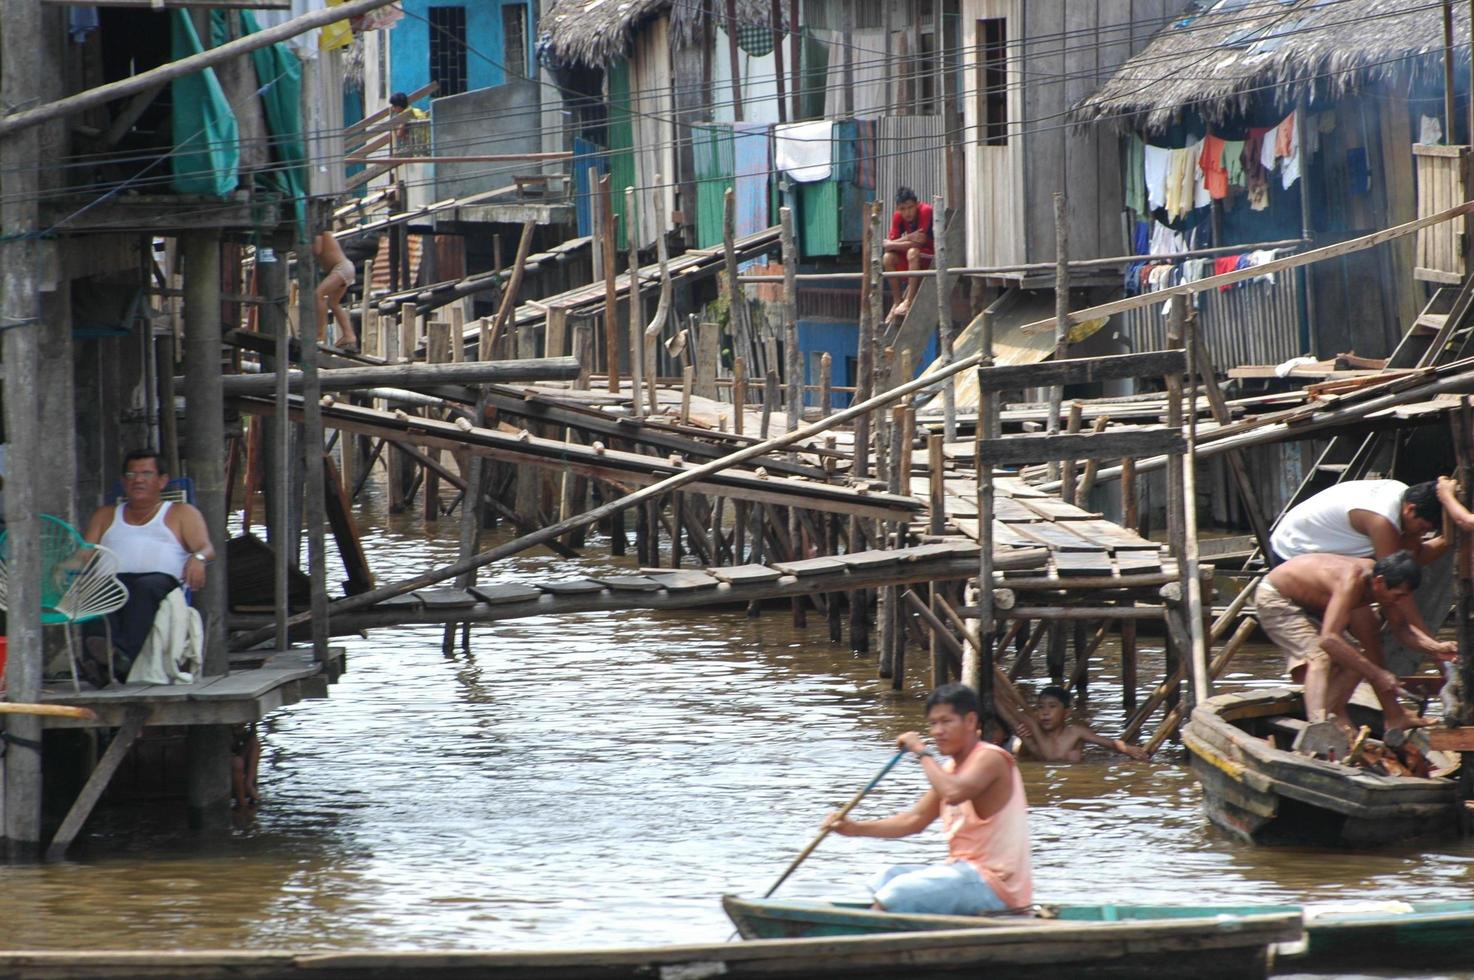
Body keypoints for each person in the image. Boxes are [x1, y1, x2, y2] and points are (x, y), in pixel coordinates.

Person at [823, 683, 1032, 915]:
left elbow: (953, 794)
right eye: (933, 723)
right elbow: (915, 819)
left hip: (995, 885)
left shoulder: (990, 758)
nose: (937, 731)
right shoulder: (951, 769)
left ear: (971, 721)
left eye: (946, 722)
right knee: (887, 877)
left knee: (899, 891)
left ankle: (871, 939)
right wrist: (855, 828)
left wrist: (922, 752)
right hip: (964, 872)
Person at [1271, 477, 1474, 667]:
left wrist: (1448, 540)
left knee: (1369, 632)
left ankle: (1381, 689)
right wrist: (1434, 650)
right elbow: (1398, 584)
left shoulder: (1404, 500)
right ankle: (1380, 687)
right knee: (1364, 629)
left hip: (1327, 552)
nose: (1421, 534)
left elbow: (1416, 556)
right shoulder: (1382, 521)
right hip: (1292, 553)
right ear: (1410, 510)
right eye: (1421, 528)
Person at [1255, 550, 1447, 733]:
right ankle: (1317, 728)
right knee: (1320, 657)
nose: (1399, 601)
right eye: (1398, 595)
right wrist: (1378, 674)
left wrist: (1436, 648)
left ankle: (1331, 715)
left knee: (1355, 659)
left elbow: (1402, 628)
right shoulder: (1352, 581)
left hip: (1308, 607)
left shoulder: (1381, 582)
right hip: (1276, 597)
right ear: (1379, 583)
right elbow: (1328, 639)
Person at [80, 450, 214, 686]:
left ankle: (118, 658)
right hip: (113, 582)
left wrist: (199, 558)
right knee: (97, 589)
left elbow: (206, 547)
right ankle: (101, 657)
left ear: (162, 480)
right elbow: (84, 555)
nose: (138, 479)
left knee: (144, 587)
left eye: (146, 474)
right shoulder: (106, 515)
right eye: (131, 474)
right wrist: (61, 571)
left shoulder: (181, 513)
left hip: (159, 584)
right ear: (123, 482)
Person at [1013, 686, 1149, 762]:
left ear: (1066, 713)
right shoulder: (1036, 732)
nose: (1045, 712)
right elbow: (1023, 757)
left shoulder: (1075, 732)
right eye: (1040, 707)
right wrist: (1026, 740)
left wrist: (1128, 749)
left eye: (1052, 706)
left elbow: (1108, 743)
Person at [882, 186, 934, 323]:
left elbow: (919, 242)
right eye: (903, 209)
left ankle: (909, 301)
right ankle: (897, 301)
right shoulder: (898, 216)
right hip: (914, 259)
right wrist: (909, 236)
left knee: (912, 252)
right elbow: (889, 248)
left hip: (931, 257)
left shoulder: (925, 211)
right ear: (898, 208)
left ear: (916, 204)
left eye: (910, 207)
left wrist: (892, 244)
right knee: (887, 258)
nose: (907, 212)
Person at [312, 231, 359, 353]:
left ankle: (319, 334)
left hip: (341, 268)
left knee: (319, 294)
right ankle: (349, 336)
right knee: (333, 303)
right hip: (342, 268)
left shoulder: (319, 233)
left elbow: (317, 250)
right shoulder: (317, 233)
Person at [388, 91, 430, 155]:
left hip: (417, 146)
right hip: (427, 142)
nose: (393, 109)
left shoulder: (406, 115)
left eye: (394, 106)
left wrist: (396, 127)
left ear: (399, 107)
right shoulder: (416, 110)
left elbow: (399, 134)